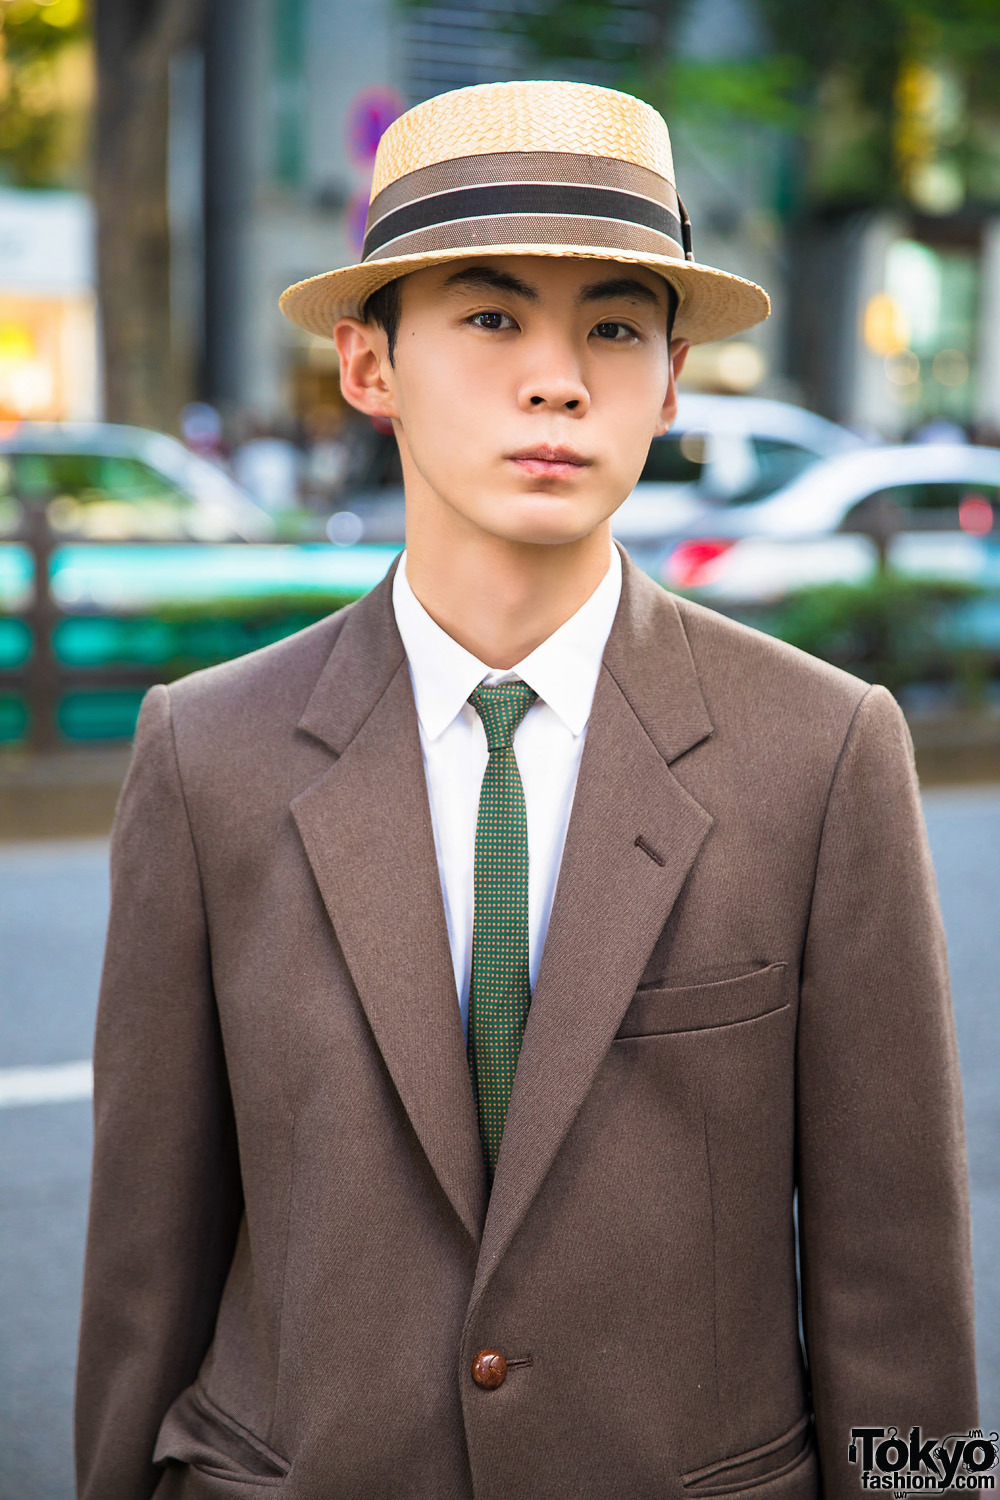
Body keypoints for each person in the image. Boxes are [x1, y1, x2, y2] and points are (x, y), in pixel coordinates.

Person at [75, 80, 977, 1500]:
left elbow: (902, 1293)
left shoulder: (821, 751)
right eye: (491, 318)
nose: (557, 378)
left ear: (674, 382)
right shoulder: (207, 754)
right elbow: (143, 1268)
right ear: (368, 366)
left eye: (615, 327)